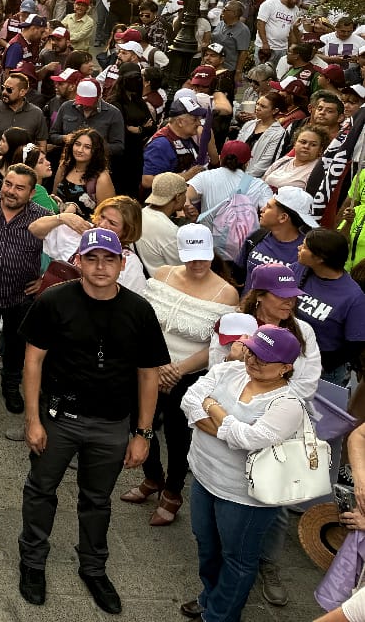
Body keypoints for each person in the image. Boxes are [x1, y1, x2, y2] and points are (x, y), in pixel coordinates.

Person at [17, 227, 170, 615]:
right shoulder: (54, 301)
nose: (101, 267)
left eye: (109, 259)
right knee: (41, 490)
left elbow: (148, 374)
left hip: (111, 424)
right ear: (78, 262)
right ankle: (33, 562)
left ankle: (93, 567)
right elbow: (32, 360)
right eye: (92, 258)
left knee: (97, 500)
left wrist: (143, 433)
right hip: (59, 418)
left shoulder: (139, 310)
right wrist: (32, 419)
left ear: (123, 263)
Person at [181, 325, 306, 622]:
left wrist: (212, 406)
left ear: (286, 368)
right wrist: (226, 427)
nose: (252, 360)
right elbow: (189, 401)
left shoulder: (288, 405)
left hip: (245, 497)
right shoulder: (230, 371)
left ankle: (221, 616)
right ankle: (210, 597)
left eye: (264, 358)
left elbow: (249, 440)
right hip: (204, 477)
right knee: (207, 546)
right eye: (252, 352)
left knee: (237, 559)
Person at [127, 224, 239, 529]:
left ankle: (173, 491)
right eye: (191, 257)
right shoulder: (163, 274)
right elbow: (145, 322)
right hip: (150, 367)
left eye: (203, 256)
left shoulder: (226, 292)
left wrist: (179, 369)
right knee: (139, 424)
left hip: (189, 375)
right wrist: (157, 364)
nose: (198, 263)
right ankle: (152, 477)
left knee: (178, 437)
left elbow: (219, 345)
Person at [0, 165, 64, 413]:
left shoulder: (41, 216)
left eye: (19, 188)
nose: (11, 191)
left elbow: (59, 254)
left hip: (21, 295)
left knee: (16, 344)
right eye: (8, 184)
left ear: (31, 192)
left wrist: (44, 280)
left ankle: (11, 387)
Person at [293, 227, 365, 387]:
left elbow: (355, 344)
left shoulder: (354, 297)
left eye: (304, 246)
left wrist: (320, 365)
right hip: (290, 357)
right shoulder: (299, 269)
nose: (299, 247)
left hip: (324, 372)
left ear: (320, 258)